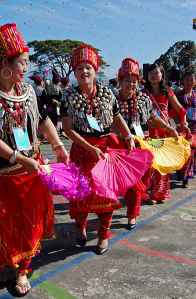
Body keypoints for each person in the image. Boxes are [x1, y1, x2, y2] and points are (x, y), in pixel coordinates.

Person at [0, 23, 69, 297]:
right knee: (1, 221)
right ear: (5, 63)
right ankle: (3, 259)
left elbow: (43, 120)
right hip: (1, 173)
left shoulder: (30, 91)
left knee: (29, 221)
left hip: (31, 170)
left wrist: (57, 146)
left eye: (27, 63)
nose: (25, 69)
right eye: (21, 63)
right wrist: (18, 158)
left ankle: (22, 268)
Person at [61, 45, 135, 255]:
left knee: (106, 196)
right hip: (81, 152)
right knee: (80, 196)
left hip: (104, 151)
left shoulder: (106, 94)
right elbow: (67, 129)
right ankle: (80, 227)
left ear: (95, 71)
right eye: (79, 68)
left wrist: (127, 135)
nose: (84, 71)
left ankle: (103, 236)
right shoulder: (68, 96)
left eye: (88, 67)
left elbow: (117, 118)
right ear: (74, 72)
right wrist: (88, 147)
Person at [115, 58, 178, 229]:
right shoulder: (111, 98)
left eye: (134, 81)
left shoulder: (143, 98)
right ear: (120, 80)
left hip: (140, 146)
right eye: (127, 80)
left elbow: (153, 116)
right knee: (119, 183)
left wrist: (169, 128)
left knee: (136, 185)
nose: (131, 84)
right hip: (118, 146)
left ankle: (132, 215)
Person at [141, 63, 187, 200]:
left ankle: (159, 193)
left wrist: (182, 124)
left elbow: (181, 110)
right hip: (149, 131)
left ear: (162, 75)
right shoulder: (142, 93)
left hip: (165, 131)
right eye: (151, 73)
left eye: (156, 73)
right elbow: (137, 114)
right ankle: (147, 189)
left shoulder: (168, 92)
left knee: (162, 163)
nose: (153, 76)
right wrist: (146, 121)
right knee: (149, 162)